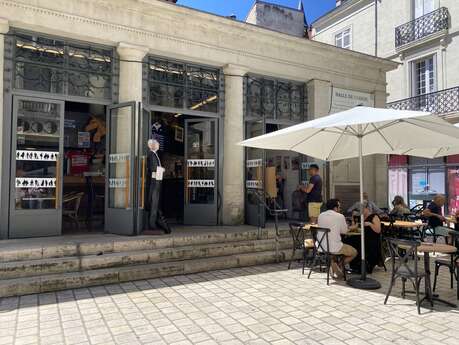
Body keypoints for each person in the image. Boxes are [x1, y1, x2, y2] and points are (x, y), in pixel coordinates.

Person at [317, 199, 358, 278]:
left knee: (334, 246)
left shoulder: (320, 215)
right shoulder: (340, 216)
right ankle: (338, 266)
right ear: (335, 208)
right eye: (339, 207)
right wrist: (353, 227)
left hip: (321, 246)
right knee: (354, 252)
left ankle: (334, 264)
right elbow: (344, 231)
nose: (340, 209)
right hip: (334, 247)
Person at [345, 202, 382, 274]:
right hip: (362, 238)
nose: (360, 211)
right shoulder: (361, 217)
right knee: (348, 240)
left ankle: (359, 266)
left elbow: (378, 230)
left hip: (371, 240)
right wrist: (353, 219)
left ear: (367, 208)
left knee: (352, 242)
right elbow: (357, 228)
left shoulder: (374, 216)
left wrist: (370, 224)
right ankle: (352, 265)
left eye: (362, 209)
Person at [146, 139, 171, 234]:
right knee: (154, 203)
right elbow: (153, 168)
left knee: (155, 203)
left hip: (156, 181)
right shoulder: (151, 155)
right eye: (157, 144)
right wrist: (162, 169)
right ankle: (152, 225)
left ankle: (154, 223)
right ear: (152, 146)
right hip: (154, 182)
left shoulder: (154, 154)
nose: (158, 145)